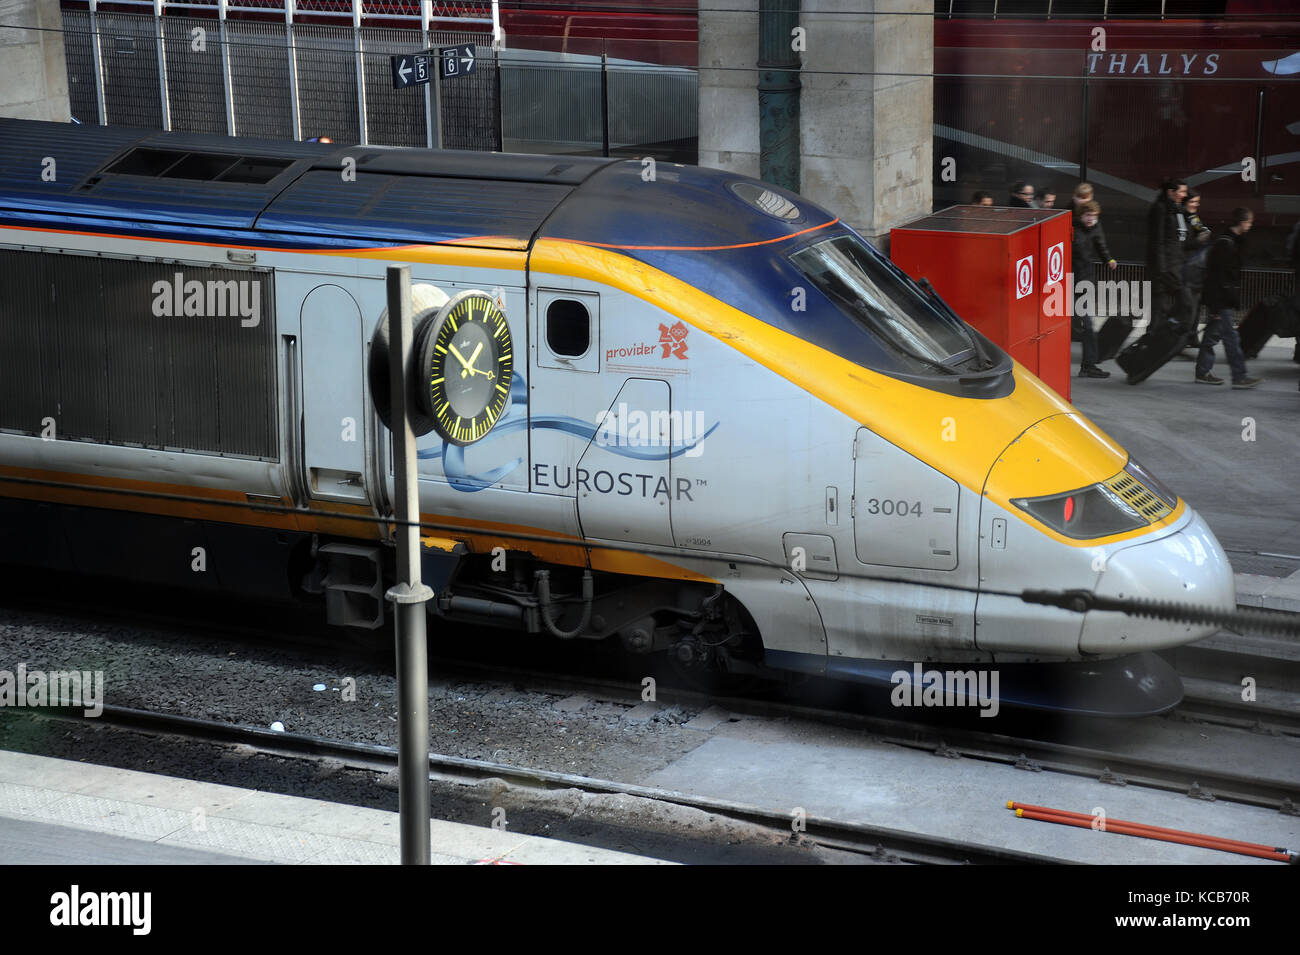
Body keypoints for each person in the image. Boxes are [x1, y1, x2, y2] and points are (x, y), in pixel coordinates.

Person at [1195, 208, 1261, 388]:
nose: (1251, 225)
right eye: (1249, 222)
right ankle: (1239, 377)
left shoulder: (1233, 242)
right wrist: (1215, 307)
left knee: (1211, 336)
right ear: (1242, 222)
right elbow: (1215, 276)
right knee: (1231, 338)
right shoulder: (1225, 244)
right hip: (1222, 300)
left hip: (1224, 297)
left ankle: (1202, 372)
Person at [1073, 200, 1118, 378]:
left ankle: (1088, 365)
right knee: (1083, 326)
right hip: (1070, 281)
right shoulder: (1071, 229)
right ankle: (1088, 365)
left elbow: (1100, 244)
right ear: (1080, 215)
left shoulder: (1095, 227)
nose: (1091, 219)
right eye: (1087, 216)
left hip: (1084, 281)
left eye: (1094, 216)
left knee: (1088, 325)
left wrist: (1109, 259)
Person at [1146, 176, 1191, 334]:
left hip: (1174, 264)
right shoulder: (1160, 209)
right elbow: (1158, 241)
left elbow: (1180, 238)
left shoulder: (1176, 209)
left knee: (1164, 305)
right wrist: (1162, 269)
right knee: (1169, 303)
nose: (1185, 195)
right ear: (1171, 192)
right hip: (1165, 267)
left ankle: (1159, 332)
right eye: (1182, 191)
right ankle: (1154, 338)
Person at [1181, 189, 1213, 348]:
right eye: (1192, 202)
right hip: (1187, 265)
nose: (1195, 205)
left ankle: (1191, 336)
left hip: (1196, 266)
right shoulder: (1181, 219)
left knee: (1196, 303)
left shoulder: (1193, 218)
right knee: (1189, 304)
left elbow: (1202, 230)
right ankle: (1186, 336)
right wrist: (1199, 241)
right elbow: (1182, 244)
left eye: (1197, 202)